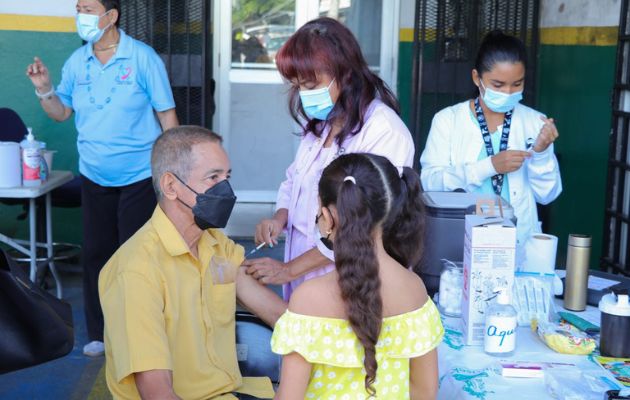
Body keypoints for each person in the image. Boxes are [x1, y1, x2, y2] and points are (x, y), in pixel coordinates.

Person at [25, 0, 179, 357]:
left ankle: (140, 333)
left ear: (111, 15)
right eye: (78, 7)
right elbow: (61, 112)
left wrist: (170, 173)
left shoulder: (143, 58)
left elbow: (167, 116)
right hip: (94, 173)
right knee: (97, 255)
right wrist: (44, 88)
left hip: (140, 174)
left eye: (89, 8)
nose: (82, 14)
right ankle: (100, 333)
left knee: (136, 258)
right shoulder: (78, 62)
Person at [99, 126, 287, 400]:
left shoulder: (215, 245)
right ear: (171, 186)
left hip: (230, 393)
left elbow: (282, 318)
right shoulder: (136, 270)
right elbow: (157, 393)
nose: (226, 190)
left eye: (227, 177)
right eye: (213, 177)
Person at [244, 17, 415, 300]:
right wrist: (279, 217)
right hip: (305, 265)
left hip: (350, 274)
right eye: (297, 86)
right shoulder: (322, 124)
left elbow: (360, 224)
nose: (304, 95)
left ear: (345, 74)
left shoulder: (384, 131)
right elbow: (294, 180)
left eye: (311, 85)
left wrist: (289, 270)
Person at [271, 153, 443, 399]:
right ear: (391, 210)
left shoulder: (308, 298)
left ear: (327, 217)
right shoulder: (414, 288)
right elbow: (425, 392)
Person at [420, 30, 562, 247]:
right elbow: (430, 182)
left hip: (519, 242)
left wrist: (541, 154)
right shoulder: (448, 120)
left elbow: (548, 196)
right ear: (477, 78)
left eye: (517, 84)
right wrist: (490, 166)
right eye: (498, 85)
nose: (508, 92)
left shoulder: (535, 123)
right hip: (460, 240)